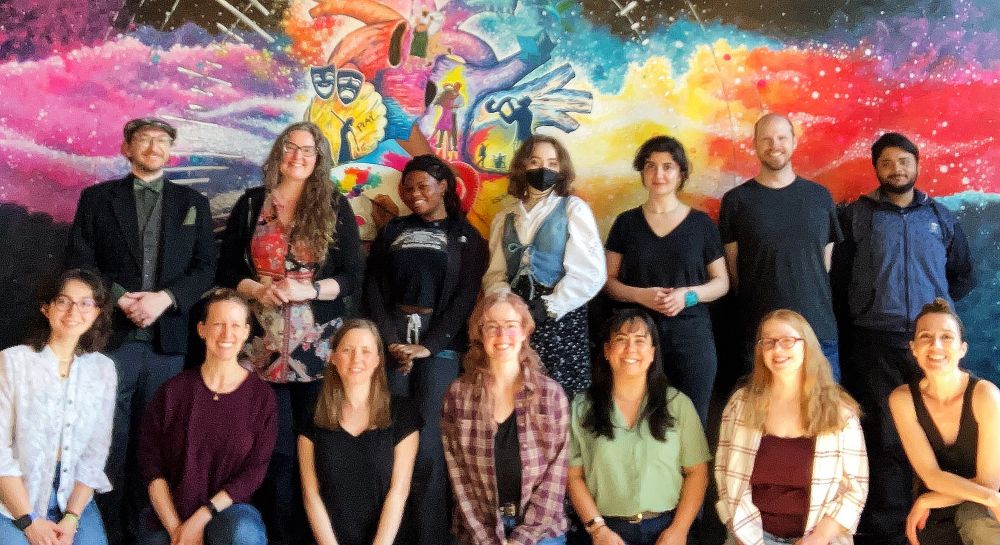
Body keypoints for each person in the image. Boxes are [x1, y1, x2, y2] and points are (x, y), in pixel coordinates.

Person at [66, 117, 216, 545]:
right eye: (145, 140)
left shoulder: (193, 202)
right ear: (126, 148)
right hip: (111, 341)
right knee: (105, 442)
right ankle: (101, 530)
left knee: (156, 444)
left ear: (171, 150)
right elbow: (80, 261)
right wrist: (119, 298)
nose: (154, 147)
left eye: (162, 140)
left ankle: (145, 532)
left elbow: (206, 268)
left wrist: (164, 299)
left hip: (169, 345)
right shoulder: (97, 199)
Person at [217, 121, 363, 545]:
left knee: (316, 447)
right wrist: (257, 289)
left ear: (319, 160)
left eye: (308, 150)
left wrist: (309, 289)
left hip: (317, 350)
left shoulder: (335, 206)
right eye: (291, 147)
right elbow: (226, 270)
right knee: (272, 451)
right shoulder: (251, 204)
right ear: (279, 153)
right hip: (259, 347)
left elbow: (352, 277)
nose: (298, 156)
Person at [831, 133, 977, 545]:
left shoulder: (941, 217)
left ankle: (942, 516)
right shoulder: (857, 216)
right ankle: (888, 529)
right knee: (885, 434)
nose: (897, 169)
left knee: (939, 428)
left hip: (932, 344)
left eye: (904, 161)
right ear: (876, 169)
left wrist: (934, 307)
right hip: (875, 342)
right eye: (887, 163)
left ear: (917, 165)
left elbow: (963, 274)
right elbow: (839, 279)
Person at [364, 154, 488, 545]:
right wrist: (390, 341)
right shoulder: (393, 230)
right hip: (392, 347)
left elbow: (465, 298)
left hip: (442, 350)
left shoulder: (467, 238)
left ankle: (431, 536)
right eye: (408, 188)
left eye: (423, 186)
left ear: (443, 187)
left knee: (430, 449)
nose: (414, 194)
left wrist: (429, 347)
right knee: (390, 442)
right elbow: (373, 288)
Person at [715, 309, 868, 545]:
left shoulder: (840, 411)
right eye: (768, 342)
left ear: (807, 346)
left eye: (787, 340)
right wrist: (740, 533)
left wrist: (818, 538)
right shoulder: (741, 404)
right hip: (748, 536)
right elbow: (723, 473)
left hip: (818, 538)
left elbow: (855, 489)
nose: (777, 349)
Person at [604, 136, 728, 424]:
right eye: (651, 166)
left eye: (668, 166)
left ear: (681, 173)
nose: (659, 174)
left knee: (691, 423)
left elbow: (721, 282)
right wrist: (640, 296)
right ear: (642, 172)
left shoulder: (701, 224)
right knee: (638, 421)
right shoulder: (625, 223)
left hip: (691, 338)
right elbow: (608, 282)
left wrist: (688, 296)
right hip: (636, 340)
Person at [137, 289, 276, 545]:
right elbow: (151, 466)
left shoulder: (262, 397)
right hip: (170, 512)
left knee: (242, 534)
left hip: (230, 512)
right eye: (218, 324)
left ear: (246, 332)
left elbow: (255, 471)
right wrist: (177, 530)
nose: (227, 334)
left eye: (235, 325)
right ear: (202, 329)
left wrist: (202, 516)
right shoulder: (172, 392)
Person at [568, 309, 710, 545]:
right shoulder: (582, 407)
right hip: (605, 532)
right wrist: (598, 530)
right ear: (606, 351)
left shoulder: (677, 404)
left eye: (640, 340)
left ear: (653, 352)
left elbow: (697, 472)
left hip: (666, 530)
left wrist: (679, 529)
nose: (630, 349)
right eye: (621, 339)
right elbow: (573, 476)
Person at [718, 113, 843, 380]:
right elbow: (734, 270)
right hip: (760, 336)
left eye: (781, 138)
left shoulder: (820, 197)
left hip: (818, 332)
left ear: (794, 142)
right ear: (754, 144)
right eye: (766, 139)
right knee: (761, 408)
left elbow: (825, 264)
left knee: (825, 407)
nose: (774, 145)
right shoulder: (736, 201)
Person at [442, 292, 569, 545]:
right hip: (478, 530)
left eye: (511, 325)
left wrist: (521, 539)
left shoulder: (551, 394)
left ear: (524, 331)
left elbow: (555, 478)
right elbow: (458, 477)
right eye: (492, 327)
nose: (502, 335)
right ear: (480, 334)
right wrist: (486, 539)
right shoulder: (458, 394)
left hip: (540, 530)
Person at [482, 134, 606, 395]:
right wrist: (507, 304)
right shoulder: (505, 217)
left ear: (561, 170)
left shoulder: (572, 209)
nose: (543, 169)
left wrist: (550, 306)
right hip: (515, 321)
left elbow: (591, 273)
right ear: (523, 166)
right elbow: (495, 274)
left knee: (558, 395)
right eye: (535, 162)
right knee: (516, 391)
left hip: (560, 317)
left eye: (552, 163)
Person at [0, 269, 116, 545]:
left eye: (85, 303)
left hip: (72, 498)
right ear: (46, 307)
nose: (73, 311)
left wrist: (72, 517)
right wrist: (28, 521)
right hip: (13, 498)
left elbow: (95, 452)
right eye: (63, 301)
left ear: (97, 312)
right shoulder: (13, 362)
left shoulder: (103, 369)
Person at [887, 298, 1000, 545]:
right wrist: (929, 499)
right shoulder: (902, 399)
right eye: (925, 336)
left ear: (962, 349)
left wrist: (928, 499)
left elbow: (990, 483)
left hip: (984, 506)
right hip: (938, 512)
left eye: (946, 337)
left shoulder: (986, 395)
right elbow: (931, 475)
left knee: (978, 525)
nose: (935, 345)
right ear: (913, 348)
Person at [298, 319, 420, 545]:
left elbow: (398, 492)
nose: (356, 359)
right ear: (333, 357)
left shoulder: (403, 413)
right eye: (347, 350)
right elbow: (310, 494)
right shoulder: (312, 413)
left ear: (377, 360)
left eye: (365, 351)